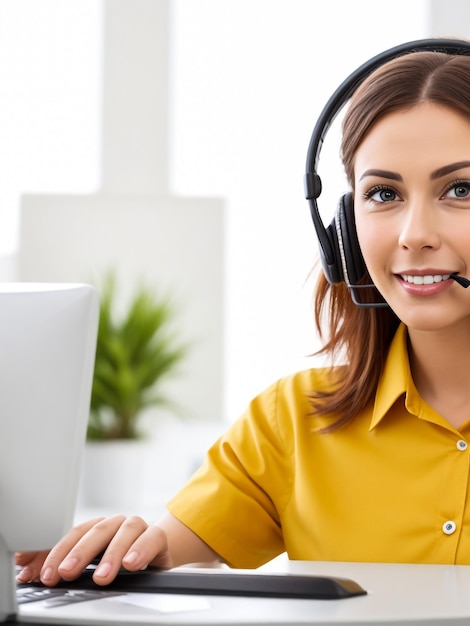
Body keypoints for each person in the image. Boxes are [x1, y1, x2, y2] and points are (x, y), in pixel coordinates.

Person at [16, 38, 470, 586]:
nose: (415, 234)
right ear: (345, 231)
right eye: (382, 195)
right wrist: (120, 552)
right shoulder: (293, 421)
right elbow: (175, 551)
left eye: (460, 189)